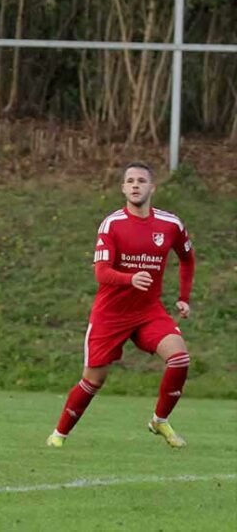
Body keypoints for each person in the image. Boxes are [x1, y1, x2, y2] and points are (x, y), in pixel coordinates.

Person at [47, 162, 195, 449]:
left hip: (148, 312)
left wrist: (184, 297)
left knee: (179, 359)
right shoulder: (112, 224)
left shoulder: (170, 224)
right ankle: (59, 435)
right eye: (130, 181)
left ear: (153, 187)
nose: (136, 185)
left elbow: (188, 259)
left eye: (141, 180)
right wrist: (130, 278)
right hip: (111, 315)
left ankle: (159, 420)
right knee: (93, 381)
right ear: (123, 188)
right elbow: (101, 273)